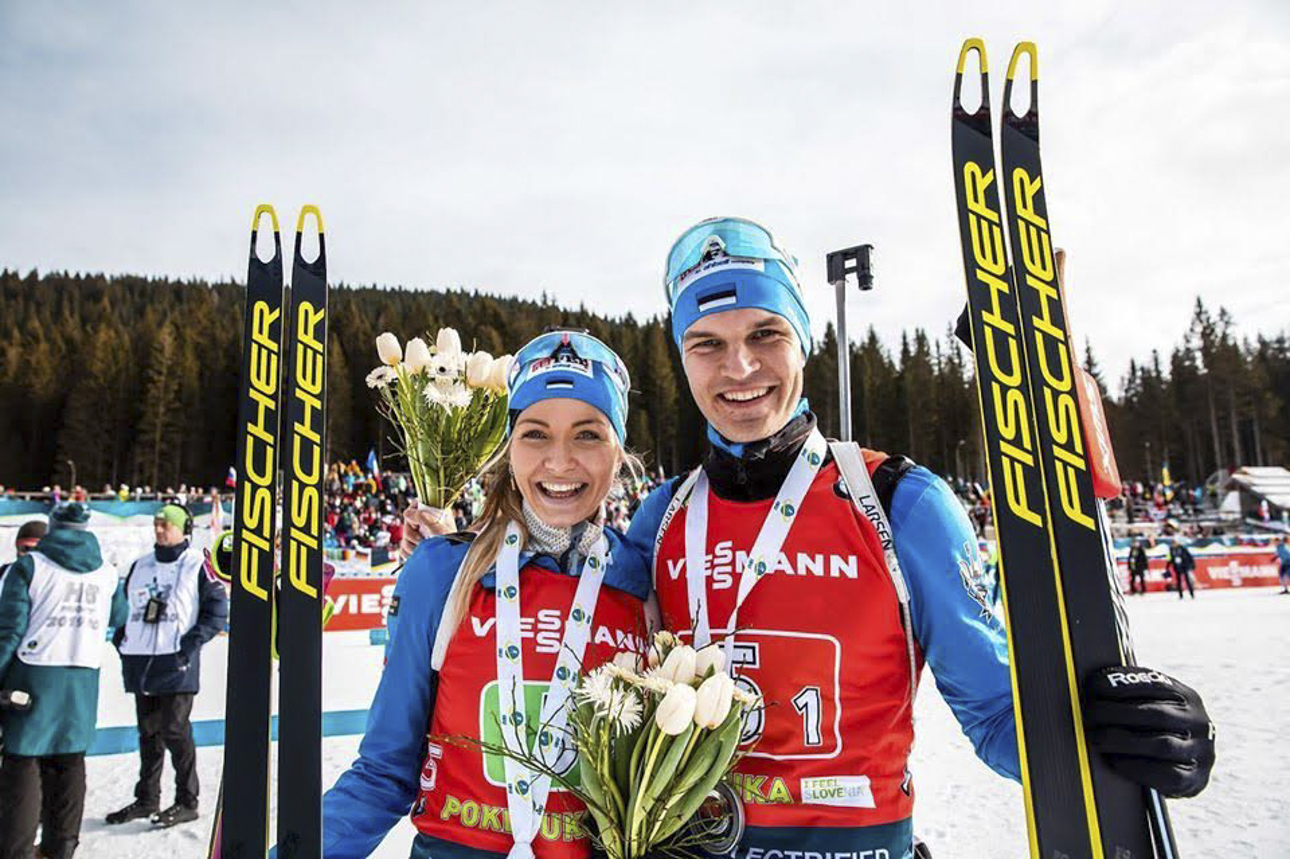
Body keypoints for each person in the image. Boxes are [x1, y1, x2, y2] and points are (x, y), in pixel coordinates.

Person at [621, 217, 1215, 857]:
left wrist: (1125, 737)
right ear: (681, 358)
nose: (739, 366)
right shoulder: (660, 517)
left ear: (804, 341)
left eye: (766, 333)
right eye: (706, 343)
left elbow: (995, 717)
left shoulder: (902, 502)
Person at [318, 331, 651, 859]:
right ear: (509, 447)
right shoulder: (442, 572)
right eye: (535, 434)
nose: (560, 462)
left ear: (619, 451)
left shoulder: (644, 583)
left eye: (588, 435)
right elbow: (384, 770)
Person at [0, 502, 128, 859]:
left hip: (33, 675)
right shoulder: (106, 572)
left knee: (22, 762)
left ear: (53, 527)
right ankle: (61, 848)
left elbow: (10, 631)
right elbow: (120, 614)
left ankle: (16, 850)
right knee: (69, 761)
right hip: (82, 679)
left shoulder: (31, 567)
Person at [106, 504, 228, 828]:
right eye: (157, 523)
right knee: (148, 733)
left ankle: (187, 800)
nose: (160, 529)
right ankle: (147, 798)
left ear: (183, 528)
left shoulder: (197, 565)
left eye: (167, 524)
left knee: (174, 730)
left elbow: (217, 611)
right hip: (141, 661)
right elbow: (124, 608)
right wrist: (122, 639)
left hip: (176, 664)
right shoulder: (140, 565)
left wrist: (188, 648)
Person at [0, 521, 46, 587]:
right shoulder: (4, 573)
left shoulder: (59, 578)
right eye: (25, 549)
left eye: (36, 550)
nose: (30, 556)